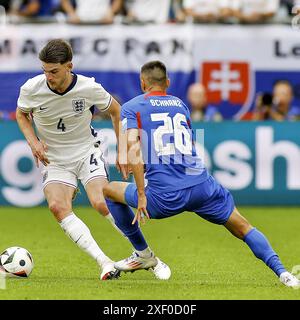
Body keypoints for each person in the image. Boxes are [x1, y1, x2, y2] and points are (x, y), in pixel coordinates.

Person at [103, 60, 300, 288]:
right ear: (167, 83)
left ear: (142, 82)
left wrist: (141, 194)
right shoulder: (180, 105)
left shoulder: (131, 106)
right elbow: (189, 144)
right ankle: (284, 274)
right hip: (202, 187)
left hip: (165, 196)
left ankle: (143, 253)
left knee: (108, 190)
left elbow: (134, 149)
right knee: (244, 227)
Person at [16, 39, 127, 280]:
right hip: (54, 158)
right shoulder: (31, 88)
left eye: (54, 71)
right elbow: (21, 114)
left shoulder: (88, 87)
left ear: (69, 66)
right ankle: (105, 262)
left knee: (101, 203)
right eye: (45, 71)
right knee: (57, 207)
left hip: (86, 151)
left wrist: (123, 151)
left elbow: (117, 110)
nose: (49, 77)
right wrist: (33, 142)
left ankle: (143, 252)